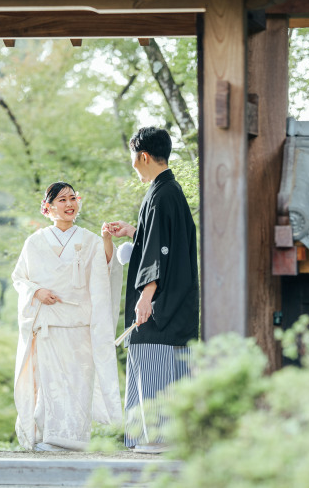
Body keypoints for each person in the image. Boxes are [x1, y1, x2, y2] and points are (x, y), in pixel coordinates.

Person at [107, 126, 199, 454]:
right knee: (173, 365)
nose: (133, 166)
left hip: (161, 306)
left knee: (153, 359)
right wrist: (137, 230)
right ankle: (164, 438)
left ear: (143, 156)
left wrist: (146, 297)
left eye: (133, 159)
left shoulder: (162, 194)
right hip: (177, 304)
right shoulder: (167, 191)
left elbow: (159, 252)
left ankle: (157, 438)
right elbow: (162, 243)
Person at [12, 182, 123, 451]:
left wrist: (107, 239)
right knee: (51, 387)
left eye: (73, 198)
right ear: (47, 207)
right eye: (62, 200)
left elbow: (106, 269)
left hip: (80, 328)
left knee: (79, 384)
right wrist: (37, 291)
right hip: (50, 326)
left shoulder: (89, 239)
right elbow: (19, 278)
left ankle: (75, 441)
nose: (69, 204)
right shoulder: (35, 242)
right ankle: (50, 438)